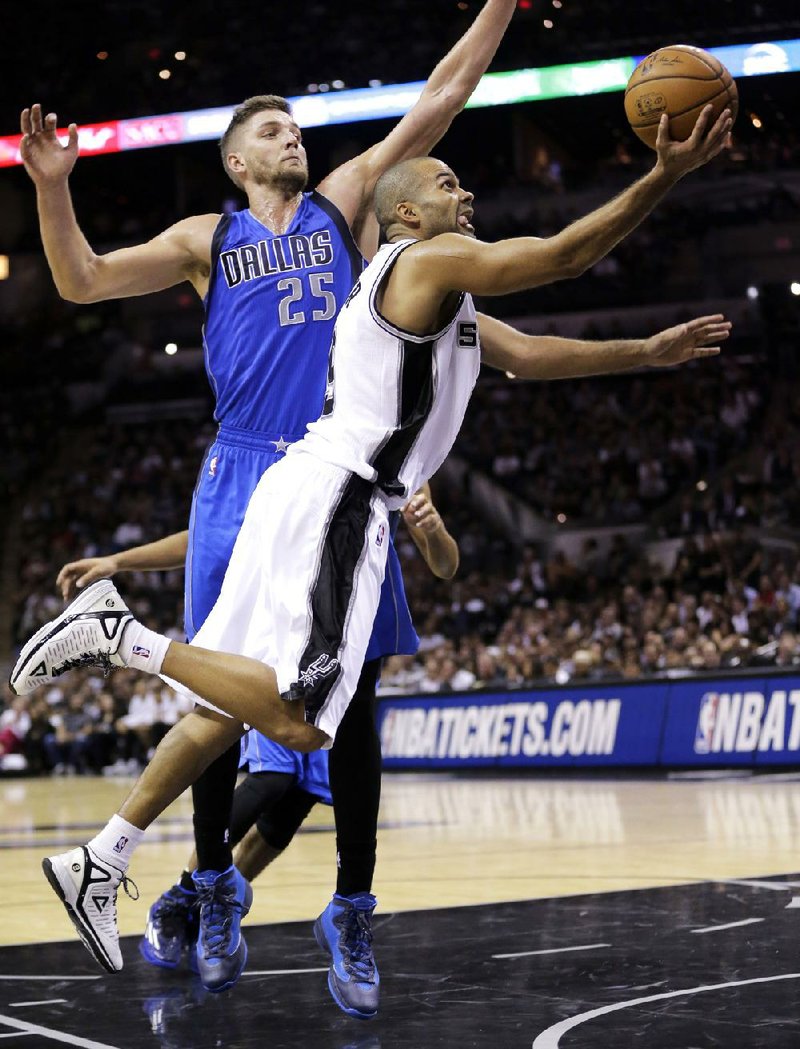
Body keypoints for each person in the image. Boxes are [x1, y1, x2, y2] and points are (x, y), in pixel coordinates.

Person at [12, 104, 733, 1000]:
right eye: (445, 184)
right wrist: (664, 175)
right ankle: (125, 639)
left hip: (298, 485)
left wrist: (647, 351)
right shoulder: (420, 262)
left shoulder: (436, 295)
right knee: (306, 720)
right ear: (401, 218)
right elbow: (560, 258)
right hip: (337, 498)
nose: (462, 191)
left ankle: (101, 855)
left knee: (223, 712)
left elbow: (536, 352)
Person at [18, 0, 518, 1010]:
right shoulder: (210, 236)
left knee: (352, 710)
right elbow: (78, 281)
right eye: (268, 128)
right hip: (243, 473)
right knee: (217, 704)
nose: (290, 132)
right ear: (238, 163)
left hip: (340, 466)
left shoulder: (343, 206)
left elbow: (442, 97)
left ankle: (348, 905)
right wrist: (54, 190)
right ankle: (210, 891)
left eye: (294, 124)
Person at [55, 484, 458, 995]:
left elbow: (445, 564)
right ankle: (184, 895)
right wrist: (122, 562)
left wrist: (433, 528)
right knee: (272, 776)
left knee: (293, 805)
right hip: (280, 636)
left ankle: (200, 905)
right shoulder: (293, 448)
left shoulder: (394, 455)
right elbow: (212, 537)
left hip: (345, 639)